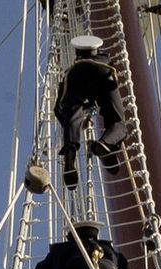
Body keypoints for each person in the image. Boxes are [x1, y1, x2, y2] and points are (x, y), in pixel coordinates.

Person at [53, 33, 128, 186]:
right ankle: (105, 144)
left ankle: (70, 151)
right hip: (102, 74)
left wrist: (77, 119)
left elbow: (59, 107)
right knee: (117, 122)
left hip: (76, 78)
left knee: (72, 116)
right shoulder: (105, 62)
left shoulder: (71, 71)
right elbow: (107, 95)